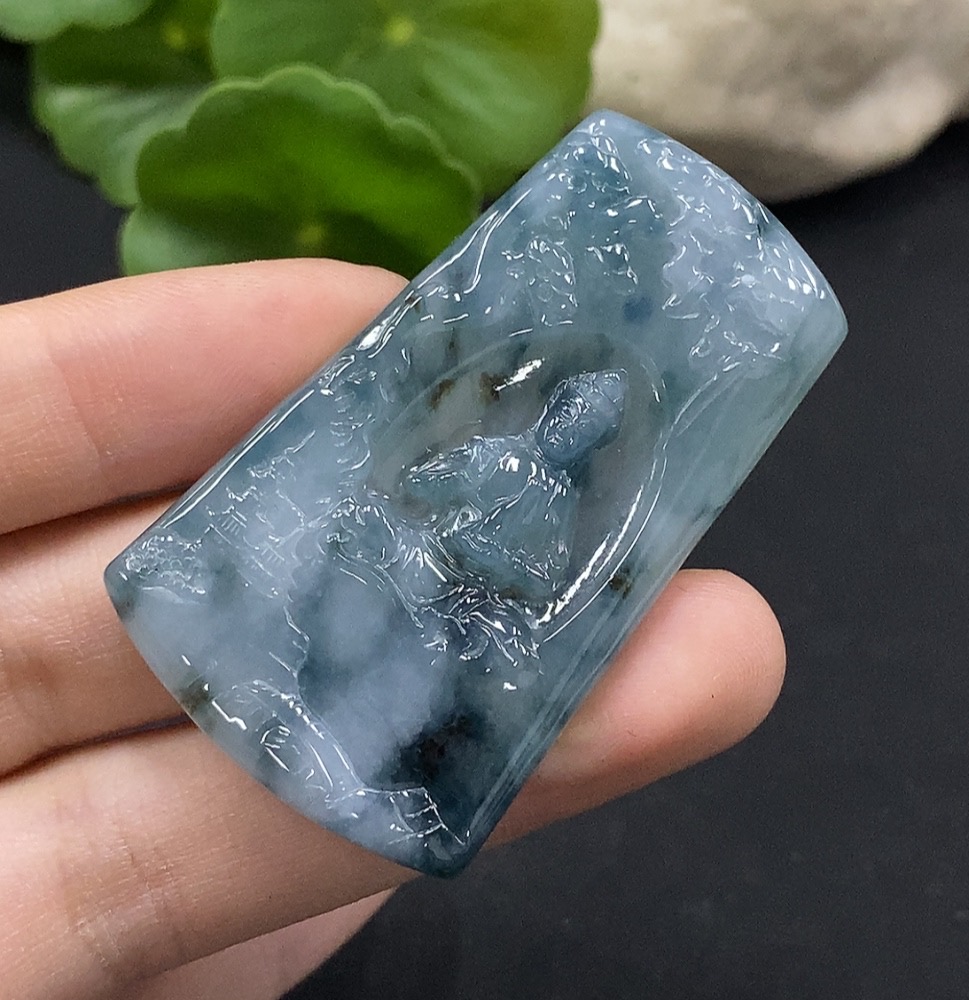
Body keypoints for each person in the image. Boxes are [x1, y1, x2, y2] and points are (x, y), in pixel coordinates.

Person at [0, 260, 785, 1000]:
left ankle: (367, 755)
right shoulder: (499, 457)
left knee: (416, 681)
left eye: (594, 427)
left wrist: (490, 574)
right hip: (413, 567)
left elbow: (540, 580)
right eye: (576, 412)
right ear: (557, 409)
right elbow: (421, 482)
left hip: (458, 611)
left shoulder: (555, 506)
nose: (576, 429)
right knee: (343, 608)